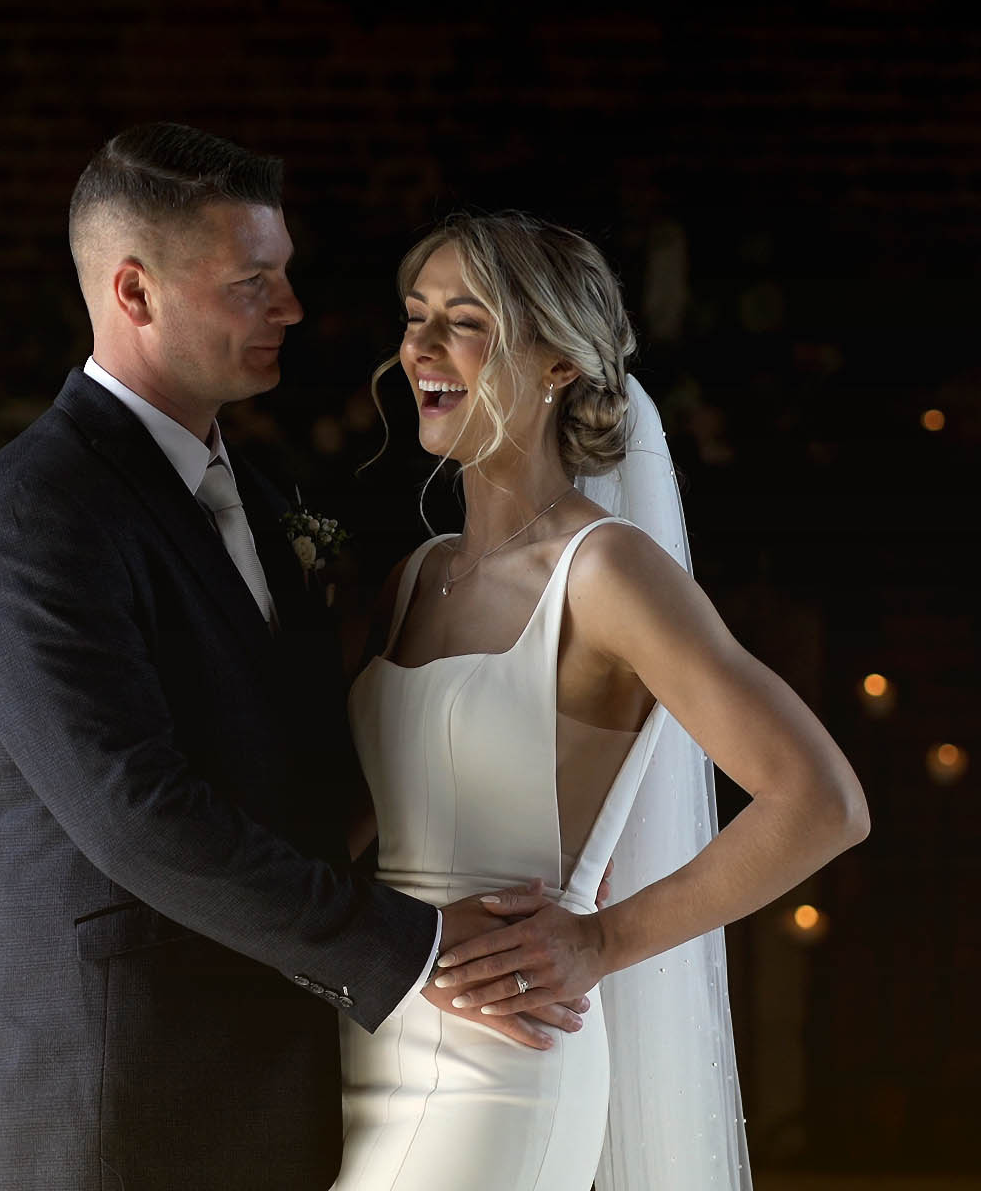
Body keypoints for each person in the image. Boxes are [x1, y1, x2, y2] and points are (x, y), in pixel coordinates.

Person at [0, 127, 586, 1191]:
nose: (291, 309)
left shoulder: (269, 498)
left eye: (283, 276)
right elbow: (134, 812)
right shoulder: (30, 517)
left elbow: (298, 763)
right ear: (133, 293)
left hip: (285, 1092)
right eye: (251, 284)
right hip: (117, 1116)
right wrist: (418, 950)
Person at [334, 212, 871, 1191]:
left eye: (465, 319)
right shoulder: (413, 580)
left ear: (553, 365)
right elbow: (342, 830)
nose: (420, 346)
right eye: (416, 317)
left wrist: (598, 940)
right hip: (373, 1041)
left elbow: (822, 802)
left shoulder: (605, 572)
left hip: (503, 1068)